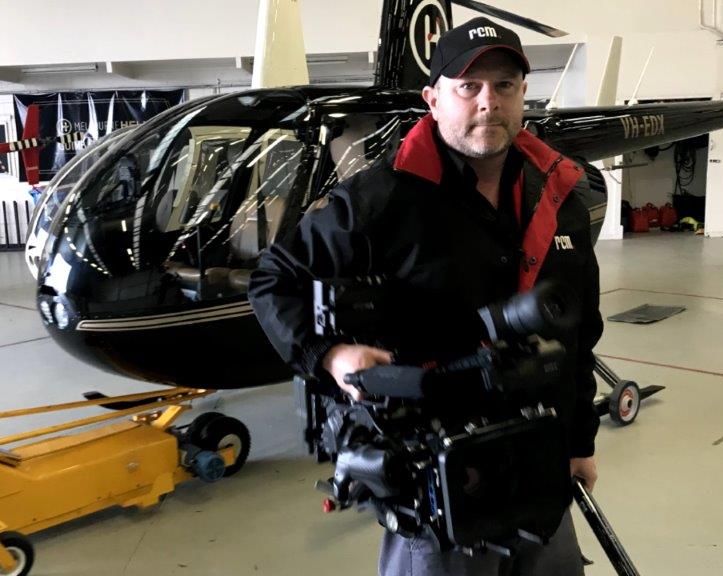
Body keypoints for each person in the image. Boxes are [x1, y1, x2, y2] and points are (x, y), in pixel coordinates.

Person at [248, 15, 603, 576]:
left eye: (504, 86)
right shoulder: (379, 201)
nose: (489, 101)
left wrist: (580, 440)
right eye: (469, 86)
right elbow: (275, 280)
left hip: (539, 463)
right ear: (433, 99)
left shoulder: (559, 200)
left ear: (522, 96)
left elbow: (581, 335)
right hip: (437, 485)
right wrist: (331, 356)